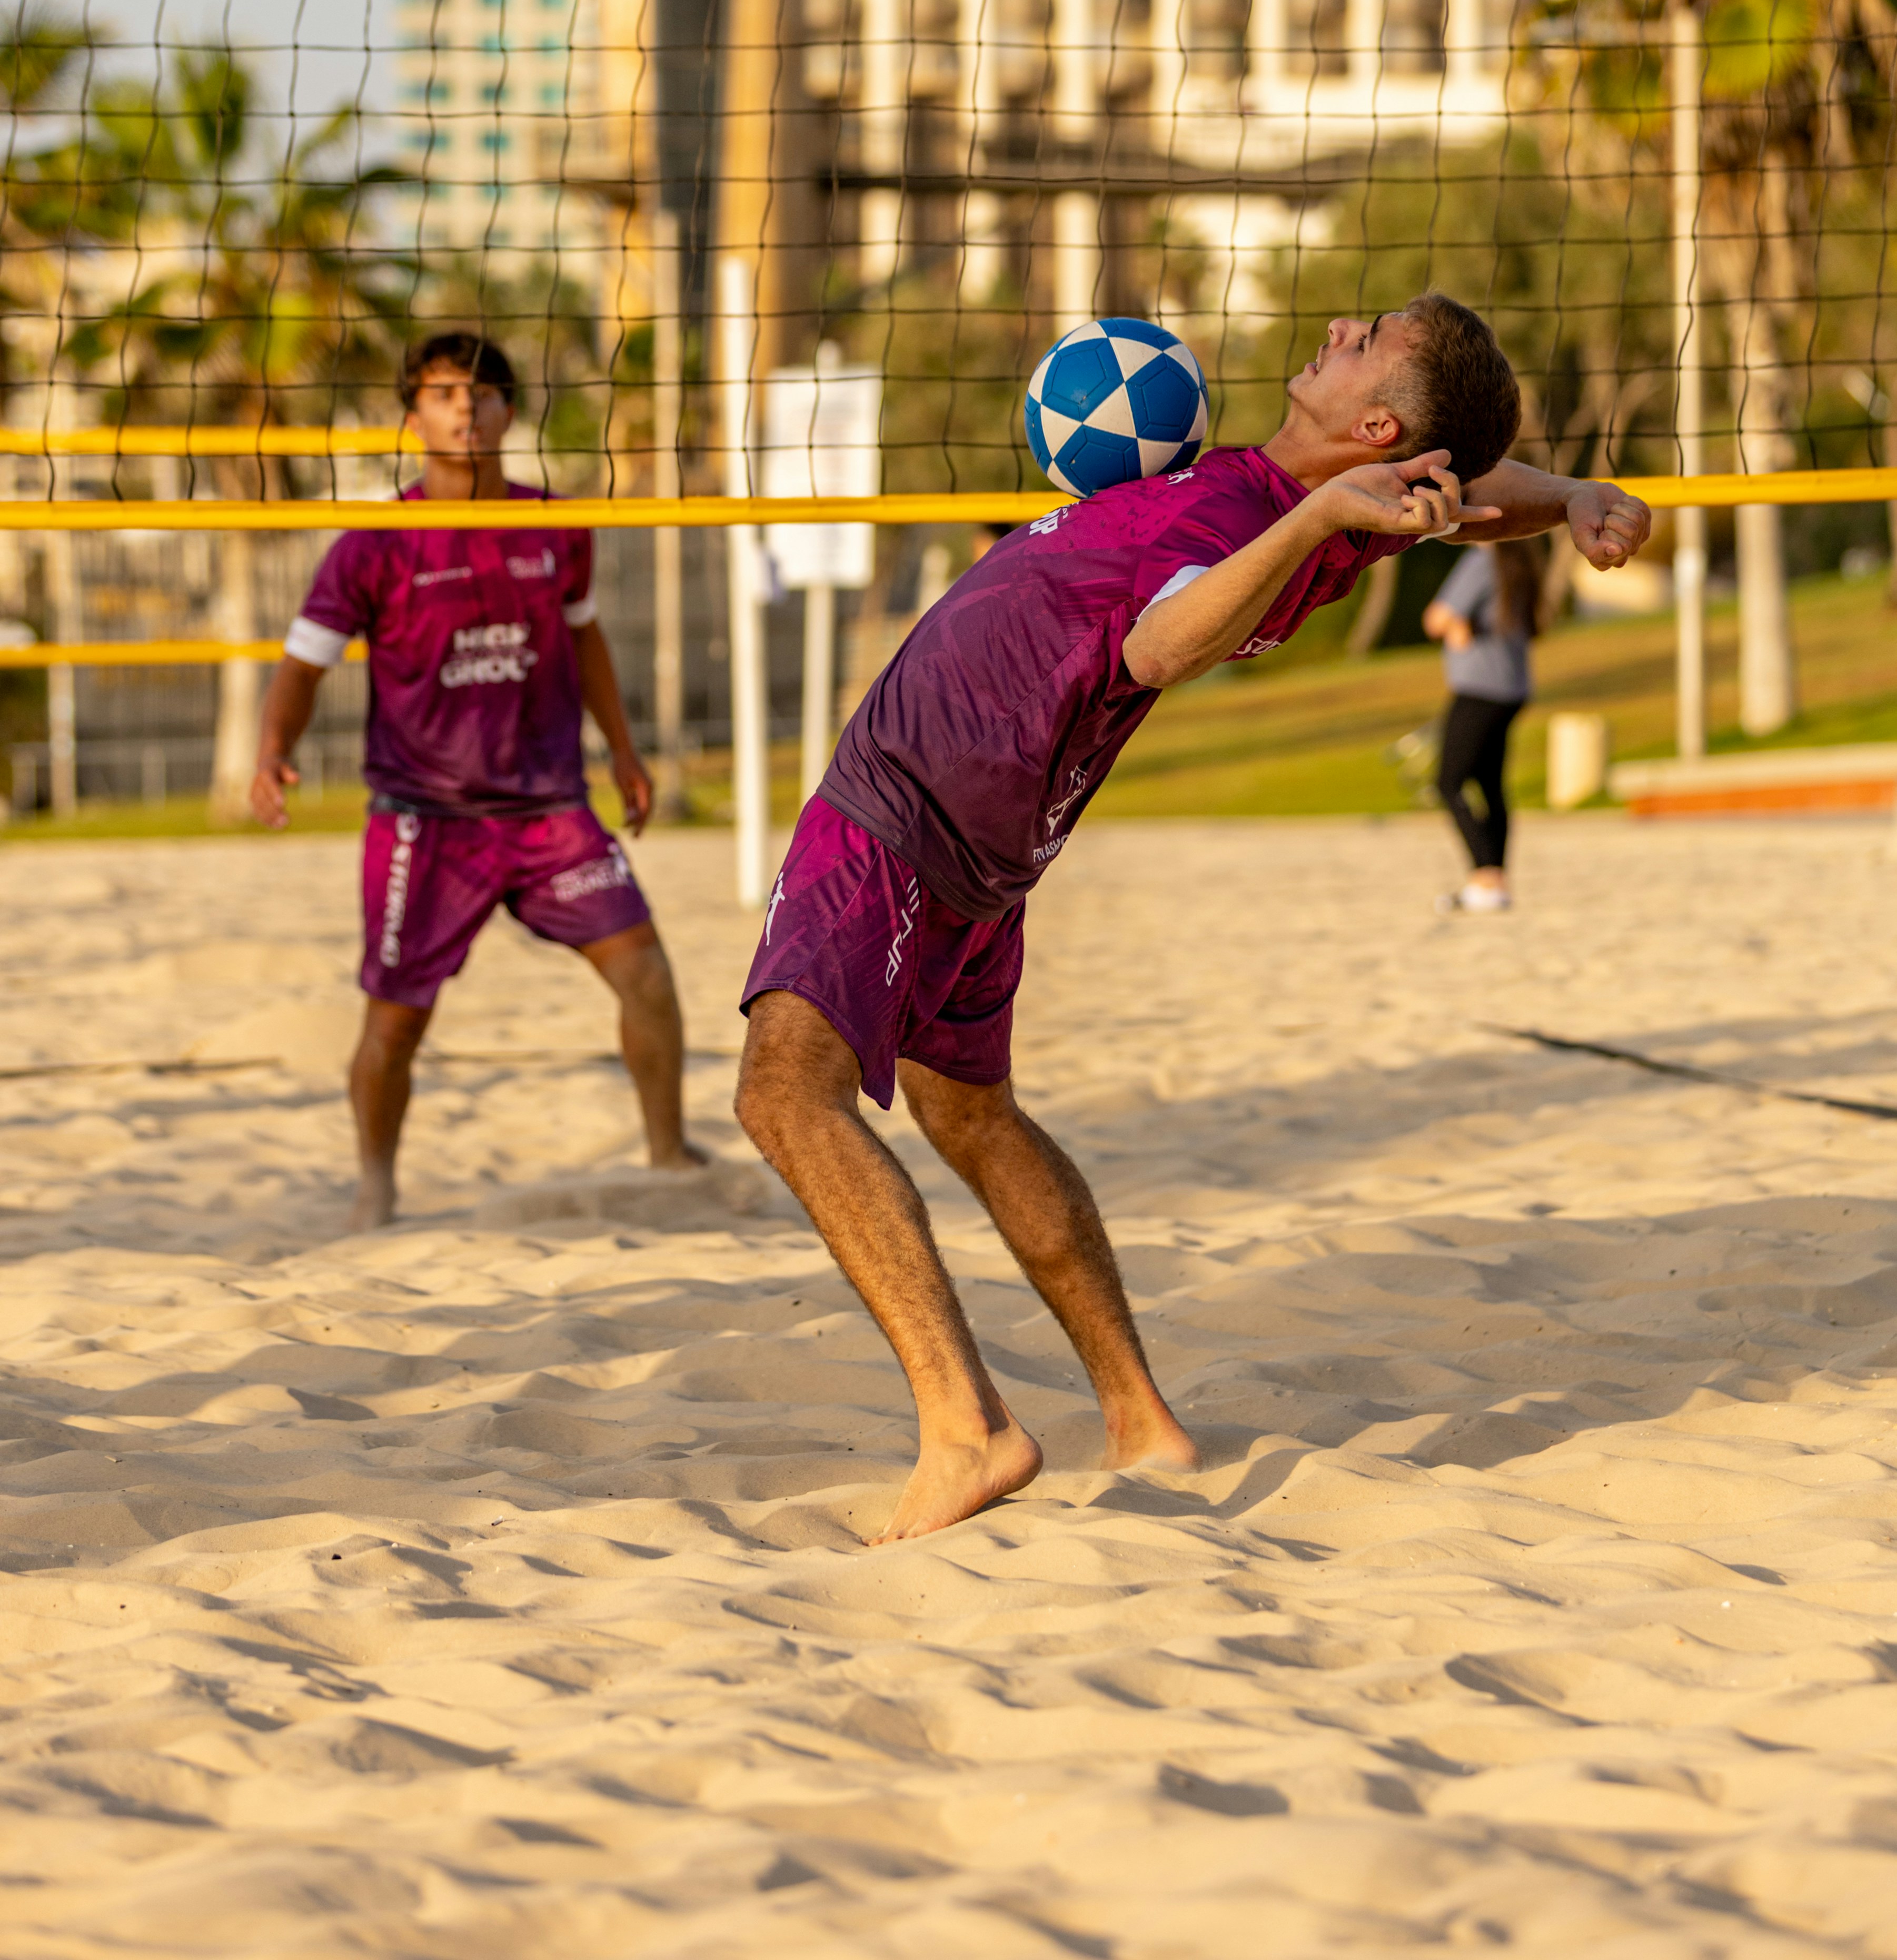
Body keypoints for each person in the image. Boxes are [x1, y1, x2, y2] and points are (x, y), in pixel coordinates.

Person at [734, 293, 1653, 1544]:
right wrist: (1574, 497)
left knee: (784, 1094)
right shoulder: (1307, 504)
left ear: (1373, 419)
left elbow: (1162, 642)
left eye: (1364, 337)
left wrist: (1334, 510)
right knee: (970, 1112)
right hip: (985, 829)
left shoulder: (1256, 519)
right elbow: (1460, 483)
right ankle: (1138, 1415)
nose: (1334, 324)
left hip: (906, 809)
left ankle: (964, 1425)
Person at [251, 332, 702, 1231]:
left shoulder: (552, 520)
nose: (466, 408)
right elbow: (302, 666)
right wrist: (270, 750)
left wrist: (621, 749)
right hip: (426, 820)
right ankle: (375, 1187)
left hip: (548, 811)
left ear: (507, 412)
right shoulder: (375, 542)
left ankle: (667, 1158)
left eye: (484, 393)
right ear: (412, 415)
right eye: (446, 394)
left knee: (646, 976)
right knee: (394, 1026)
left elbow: (585, 636)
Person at [1424, 537, 1543, 913]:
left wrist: (1455, 622)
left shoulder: (1481, 560)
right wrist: (1465, 622)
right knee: (1490, 784)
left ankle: (1484, 876)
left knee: (1448, 782)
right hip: (1512, 687)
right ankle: (1496, 883)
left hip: (1478, 688)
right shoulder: (1521, 561)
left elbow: (1435, 618)